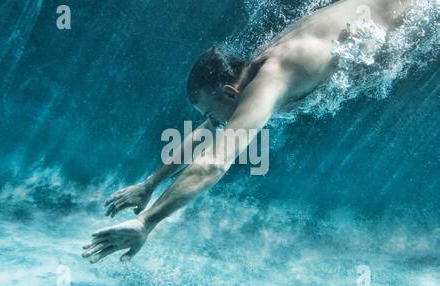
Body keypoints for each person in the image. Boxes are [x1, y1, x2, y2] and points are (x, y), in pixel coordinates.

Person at [83, 0, 414, 263]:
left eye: (211, 110)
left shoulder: (273, 78)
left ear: (229, 92)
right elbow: (207, 130)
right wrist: (150, 183)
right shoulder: (246, 72)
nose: (213, 119)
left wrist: (147, 222)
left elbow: (215, 162)